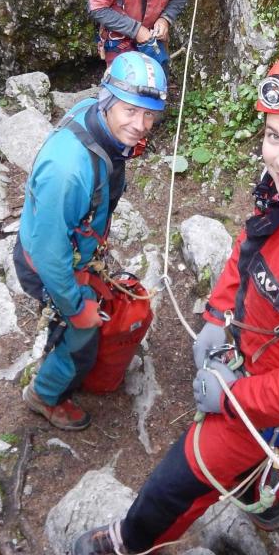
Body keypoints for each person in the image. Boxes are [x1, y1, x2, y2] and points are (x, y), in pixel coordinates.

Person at [70, 50, 279, 554]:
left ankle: (125, 543)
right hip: (260, 362)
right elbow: (251, 244)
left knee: (180, 477)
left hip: (278, 395)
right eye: (273, 136)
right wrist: (215, 314)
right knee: (273, 455)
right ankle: (265, 499)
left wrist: (232, 398)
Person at [14, 51, 168, 431]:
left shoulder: (94, 116)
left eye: (149, 114)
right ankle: (45, 395)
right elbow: (50, 255)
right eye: (131, 111)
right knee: (82, 332)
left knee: (79, 320)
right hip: (48, 263)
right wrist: (74, 305)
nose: (141, 125)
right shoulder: (68, 170)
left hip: (72, 253)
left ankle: (61, 337)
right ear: (108, 100)